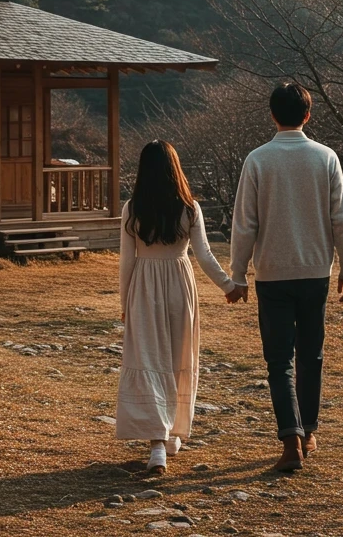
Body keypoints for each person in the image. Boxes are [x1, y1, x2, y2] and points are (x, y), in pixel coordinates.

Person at [228, 81, 343, 472]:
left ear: (272, 115)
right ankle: (310, 430)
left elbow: (245, 224)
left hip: (272, 273)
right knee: (311, 355)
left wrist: (238, 274)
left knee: (279, 359)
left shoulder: (258, 160)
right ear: (307, 114)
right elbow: (342, 220)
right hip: (315, 270)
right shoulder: (325, 157)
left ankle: (291, 440)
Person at [116, 140, 244, 474]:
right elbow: (204, 254)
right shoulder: (190, 208)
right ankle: (169, 433)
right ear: (175, 170)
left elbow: (126, 263)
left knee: (148, 360)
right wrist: (229, 286)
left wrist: (124, 304)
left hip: (144, 285)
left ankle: (158, 443)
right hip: (179, 283)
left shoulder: (132, 208)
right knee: (177, 358)